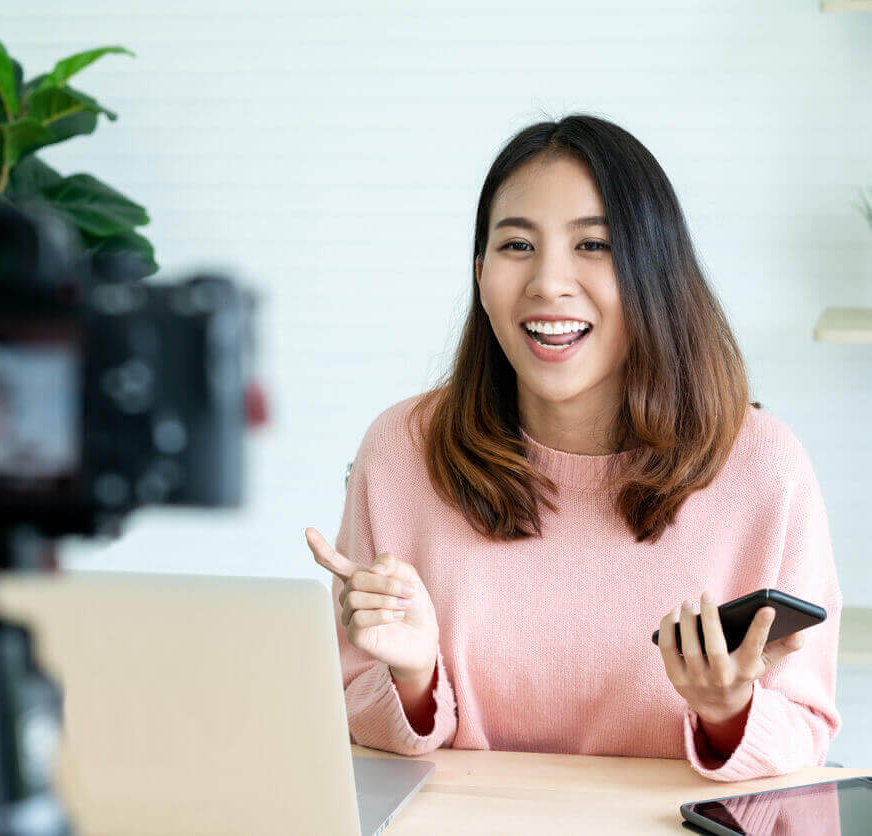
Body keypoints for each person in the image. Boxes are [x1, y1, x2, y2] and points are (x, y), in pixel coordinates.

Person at [305, 113, 842, 783]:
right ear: (479, 272)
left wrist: (728, 711)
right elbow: (354, 722)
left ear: (655, 270)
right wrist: (411, 678)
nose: (547, 284)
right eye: (515, 246)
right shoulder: (400, 452)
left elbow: (806, 731)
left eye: (593, 245)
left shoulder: (763, 466)